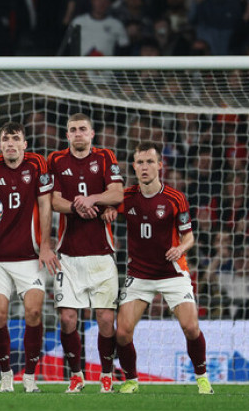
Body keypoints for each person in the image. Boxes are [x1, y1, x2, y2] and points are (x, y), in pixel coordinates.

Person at [108, 141, 213, 394]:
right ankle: (131, 380)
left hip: (172, 273)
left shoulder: (175, 198)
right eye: (140, 162)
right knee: (122, 333)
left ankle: (202, 378)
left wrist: (181, 248)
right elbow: (109, 208)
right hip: (139, 275)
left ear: (160, 165)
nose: (145, 167)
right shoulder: (126, 197)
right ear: (134, 166)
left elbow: (189, 237)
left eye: (150, 162)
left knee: (191, 327)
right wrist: (109, 211)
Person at [47, 113, 124, 393]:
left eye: (83, 129)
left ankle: (106, 375)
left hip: (102, 254)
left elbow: (118, 193)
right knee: (67, 318)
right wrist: (76, 207)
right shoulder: (55, 160)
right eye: (73, 130)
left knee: (105, 319)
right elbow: (52, 200)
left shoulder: (105, 157)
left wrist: (94, 199)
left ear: (92, 134)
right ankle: (76, 376)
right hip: (67, 254)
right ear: (67, 136)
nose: (78, 134)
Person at [0, 122, 59, 393]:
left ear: (25, 144)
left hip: (30, 257)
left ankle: (29, 376)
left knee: (34, 312)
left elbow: (45, 204)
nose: (11, 144)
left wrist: (47, 245)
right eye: (6, 139)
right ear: (0, 144)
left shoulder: (38, 163)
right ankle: (6, 375)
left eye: (16, 139)